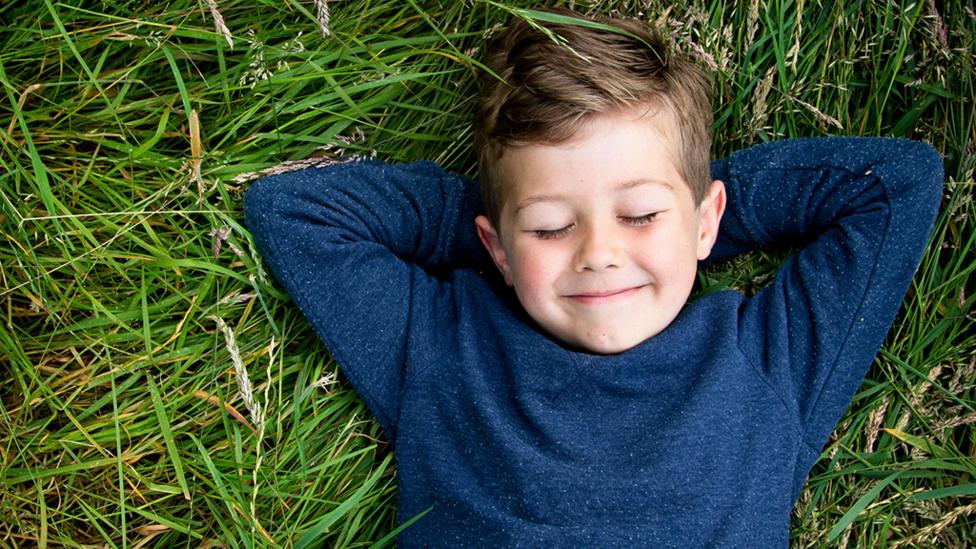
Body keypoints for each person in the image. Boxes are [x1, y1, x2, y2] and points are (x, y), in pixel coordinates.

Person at [243, 9, 943, 547]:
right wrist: (507, 231)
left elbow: (894, 186)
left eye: (638, 214)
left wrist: (687, 216)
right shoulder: (442, 346)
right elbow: (295, 213)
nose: (598, 252)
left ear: (706, 222)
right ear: (498, 247)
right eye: (553, 226)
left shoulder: (766, 361)